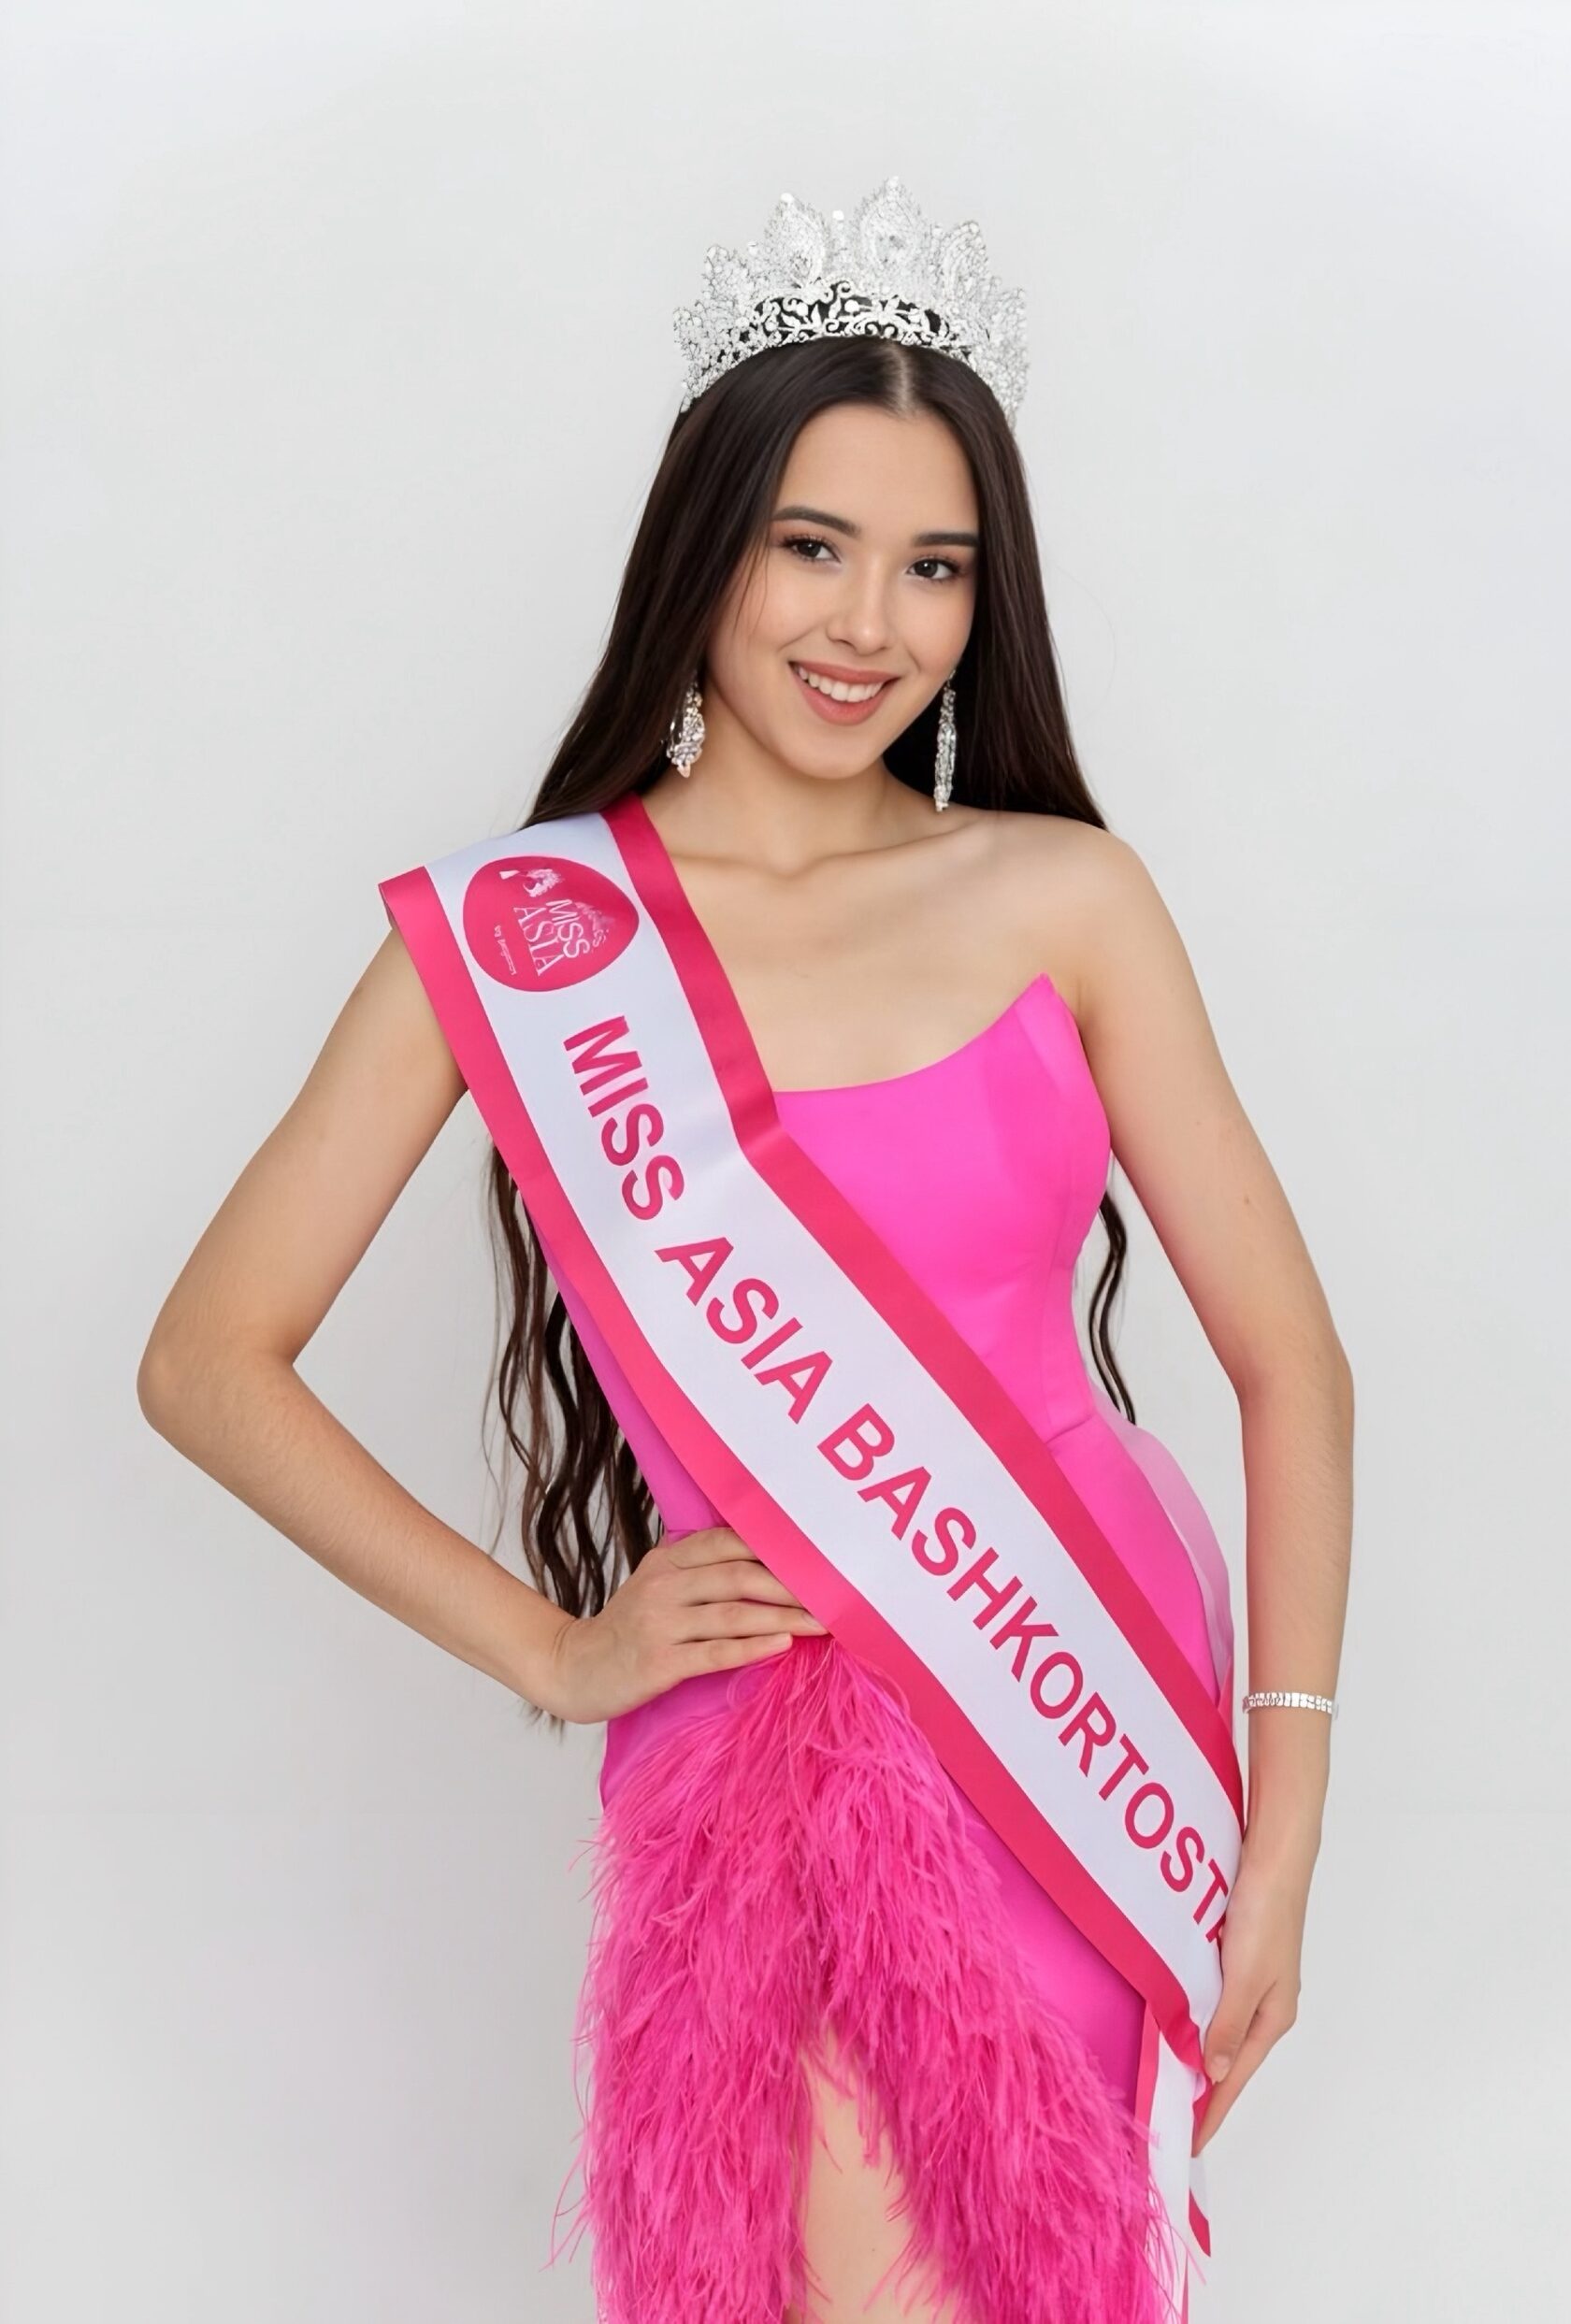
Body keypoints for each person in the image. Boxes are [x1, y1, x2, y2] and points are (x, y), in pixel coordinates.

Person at [138, 178, 1353, 2324]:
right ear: (705, 543)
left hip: (1080, 1701)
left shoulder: (1064, 895)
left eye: (936, 563)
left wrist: (1287, 1821)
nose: (870, 619)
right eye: (812, 543)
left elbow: (1291, 1363)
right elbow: (209, 1357)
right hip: (783, 1755)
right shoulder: (528, 938)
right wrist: (552, 1650)